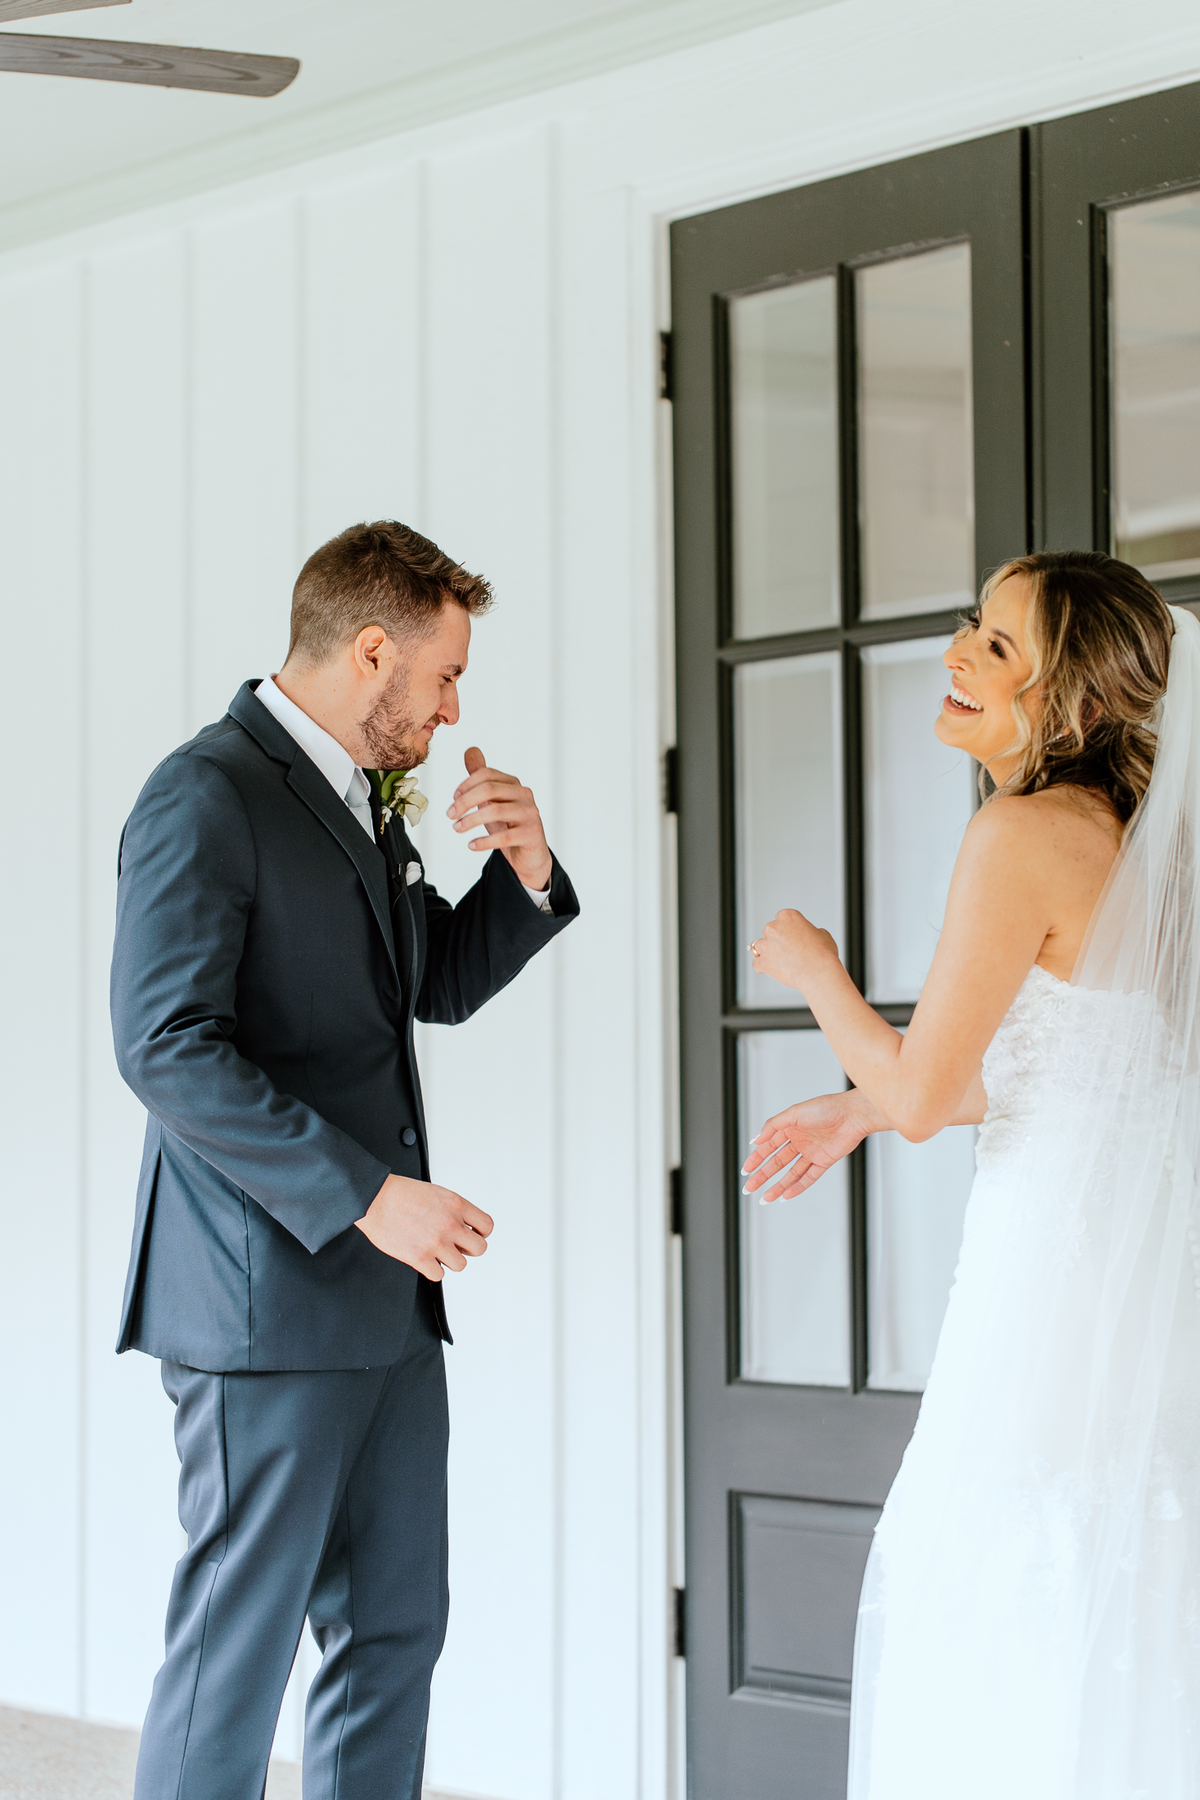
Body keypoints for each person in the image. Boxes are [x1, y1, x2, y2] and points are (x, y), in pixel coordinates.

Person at [110, 521, 579, 1800]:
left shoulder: (352, 796)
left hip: (386, 1311)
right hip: (258, 1307)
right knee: (235, 1657)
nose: (452, 707)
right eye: (442, 675)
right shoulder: (204, 791)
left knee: (393, 1638)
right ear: (372, 650)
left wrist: (525, 874)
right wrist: (371, 1196)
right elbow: (164, 1046)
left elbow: (427, 979)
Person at [742, 551, 1200, 1798]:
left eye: (997, 647)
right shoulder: (1127, 843)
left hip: (1039, 1288)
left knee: (1002, 1556)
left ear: (1078, 704)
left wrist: (817, 970)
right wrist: (858, 1110)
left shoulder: (1019, 834)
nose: (958, 655)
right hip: (1118, 1286)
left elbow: (929, 1095)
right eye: (969, 629)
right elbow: (1076, 1070)